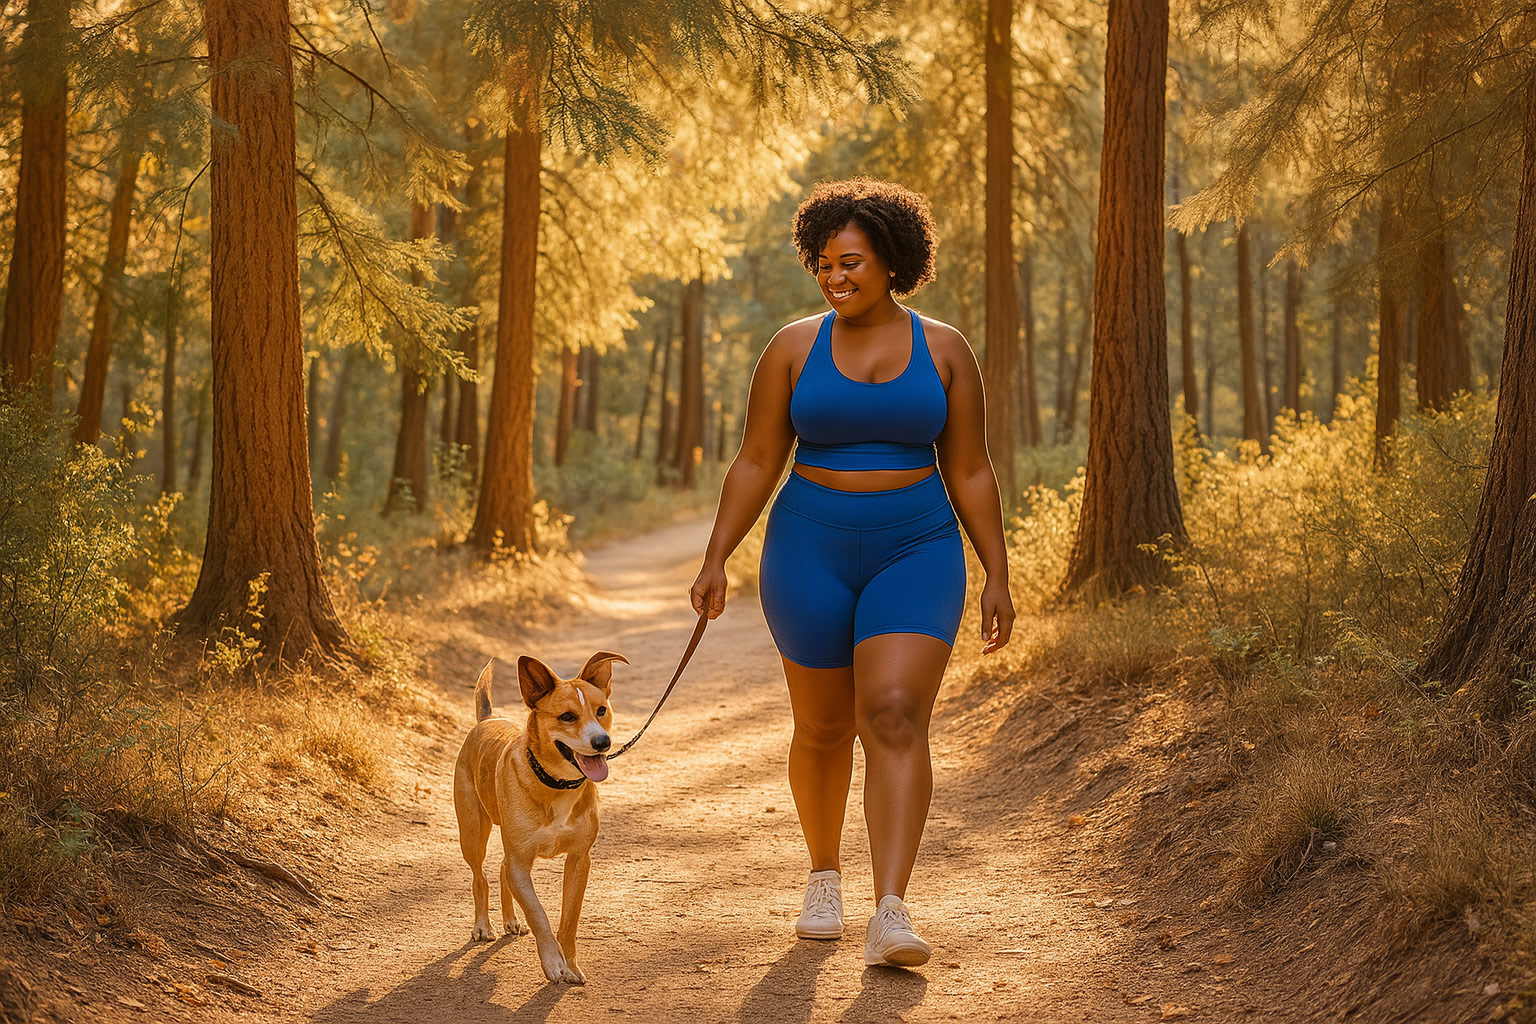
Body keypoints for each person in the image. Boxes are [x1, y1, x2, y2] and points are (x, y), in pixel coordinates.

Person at [689, 177, 1014, 969]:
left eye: (853, 263)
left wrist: (997, 572)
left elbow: (969, 468)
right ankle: (824, 876)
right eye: (824, 264)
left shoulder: (943, 349)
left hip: (918, 544)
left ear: (893, 263)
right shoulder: (793, 348)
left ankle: (892, 909)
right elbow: (758, 458)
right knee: (825, 726)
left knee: (897, 714)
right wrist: (716, 553)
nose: (836, 278)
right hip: (809, 547)